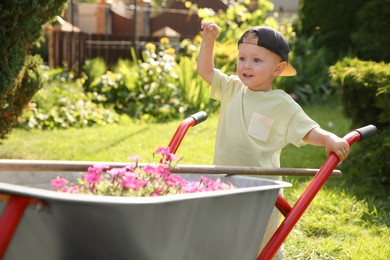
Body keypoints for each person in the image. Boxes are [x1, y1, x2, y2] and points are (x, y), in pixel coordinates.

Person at [197, 22, 350, 259]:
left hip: (263, 191)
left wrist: (329, 138)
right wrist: (208, 42)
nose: (246, 65)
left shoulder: (281, 104)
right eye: (242, 58)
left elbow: (306, 130)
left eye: (257, 60)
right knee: (226, 236)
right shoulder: (231, 88)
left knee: (263, 242)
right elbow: (206, 72)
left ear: (277, 69)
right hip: (226, 183)